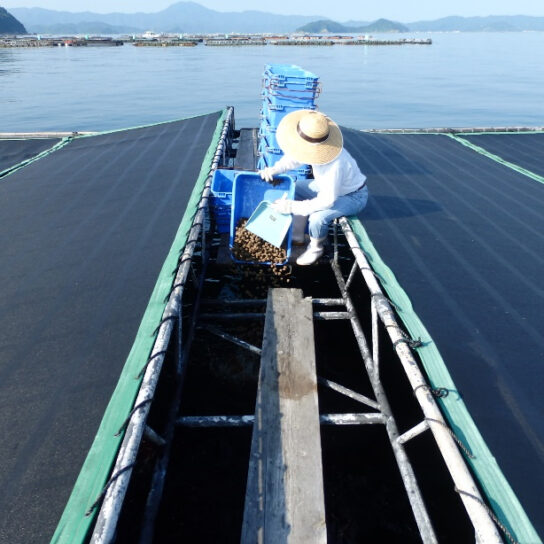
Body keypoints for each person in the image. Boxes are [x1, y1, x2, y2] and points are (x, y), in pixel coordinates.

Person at [259, 109, 368, 265]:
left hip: (352, 196)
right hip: (327, 186)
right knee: (296, 188)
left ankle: (316, 247)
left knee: (317, 218)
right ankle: (297, 236)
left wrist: (291, 206)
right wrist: (275, 169)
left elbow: (327, 200)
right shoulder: (316, 147)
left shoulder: (334, 165)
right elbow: (296, 157)